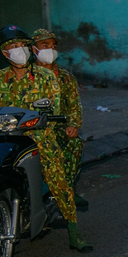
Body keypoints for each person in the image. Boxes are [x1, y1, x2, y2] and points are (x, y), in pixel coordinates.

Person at [0, 25, 92, 253]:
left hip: (41, 136)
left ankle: (73, 232)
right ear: (5, 53)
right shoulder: (0, 79)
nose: (19, 49)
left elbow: (54, 105)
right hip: (8, 136)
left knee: (59, 181)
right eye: (13, 46)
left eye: (22, 45)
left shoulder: (46, 76)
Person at [31, 29, 89, 210]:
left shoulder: (65, 78)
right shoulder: (25, 76)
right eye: (45, 45)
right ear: (34, 50)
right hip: (30, 127)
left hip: (58, 127)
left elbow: (74, 106)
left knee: (74, 145)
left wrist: (72, 124)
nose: (50, 49)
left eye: (53, 46)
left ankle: (65, 190)